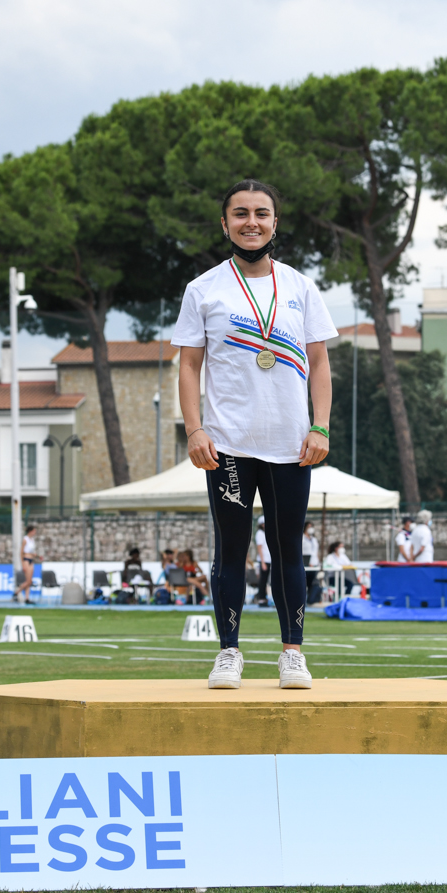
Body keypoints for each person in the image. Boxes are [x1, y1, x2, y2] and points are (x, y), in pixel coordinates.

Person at [174, 178, 336, 689]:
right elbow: (188, 367)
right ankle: (228, 653)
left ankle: (293, 653)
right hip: (229, 447)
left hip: (292, 444)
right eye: (240, 213)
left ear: (274, 222)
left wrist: (321, 426)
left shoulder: (299, 287)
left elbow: (320, 363)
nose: (251, 222)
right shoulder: (203, 289)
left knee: (288, 546)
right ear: (225, 224)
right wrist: (194, 429)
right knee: (230, 548)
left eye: (261, 213)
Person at [16, 524, 42, 604]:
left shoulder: (32, 540)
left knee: (29, 581)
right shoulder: (25, 539)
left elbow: (32, 552)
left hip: (31, 559)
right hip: (26, 560)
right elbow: (21, 552)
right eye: (34, 531)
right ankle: (16, 592)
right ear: (30, 531)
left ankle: (27, 598)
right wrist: (23, 564)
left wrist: (37, 556)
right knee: (28, 581)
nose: (35, 532)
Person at [252, 516, 271, 607]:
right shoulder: (260, 533)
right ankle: (261, 599)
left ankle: (265, 597)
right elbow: (259, 548)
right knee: (263, 580)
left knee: (266, 580)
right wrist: (263, 562)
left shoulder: (266, 533)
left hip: (269, 559)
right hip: (264, 560)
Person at [301, 521, 321, 604]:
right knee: (303, 583)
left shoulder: (314, 539)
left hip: (314, 564)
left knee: (313, 583)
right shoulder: (301, 538)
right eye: (309, 526)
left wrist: (318, 562)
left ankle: (310, 600)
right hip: (305, 564)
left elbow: (316, 552)